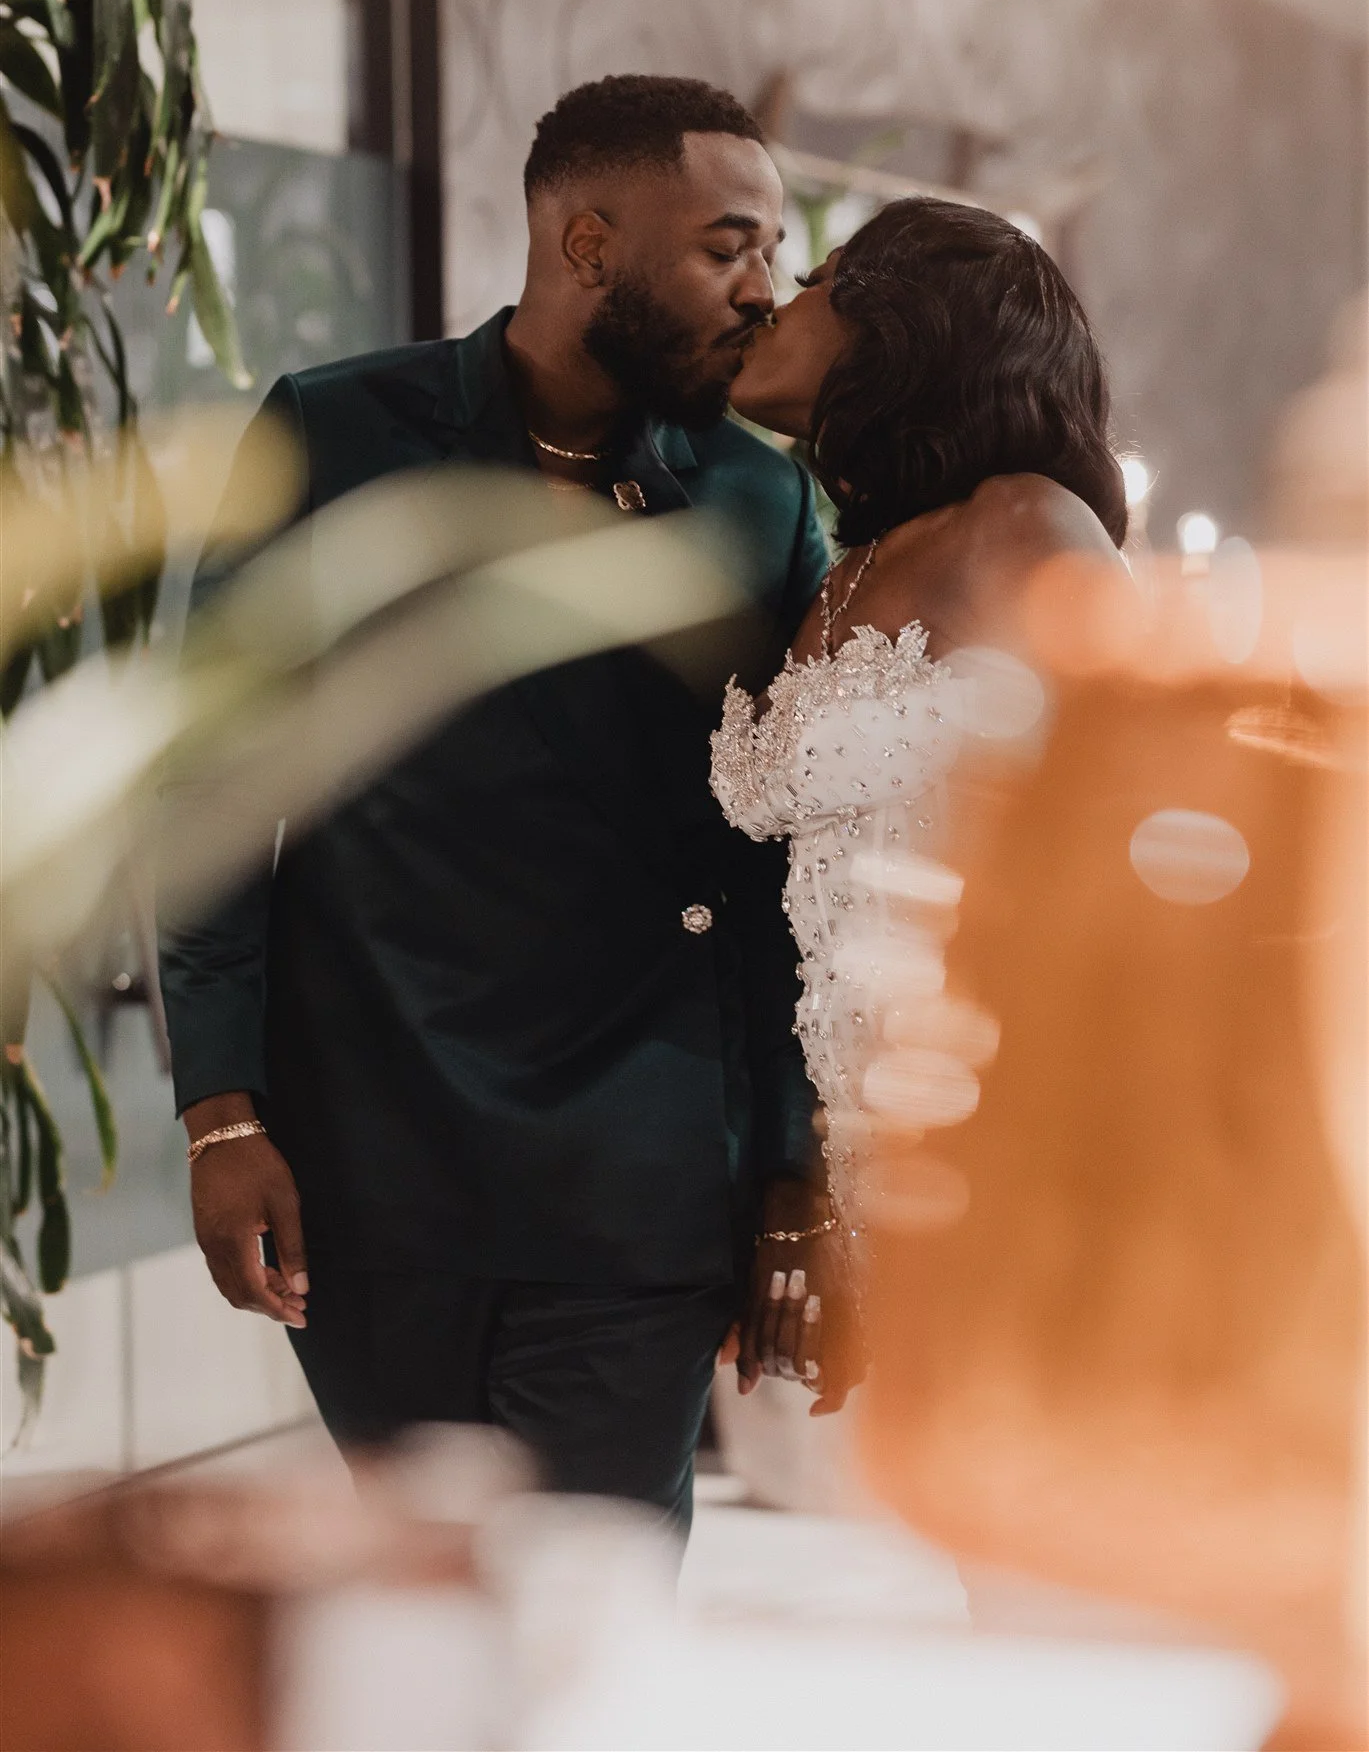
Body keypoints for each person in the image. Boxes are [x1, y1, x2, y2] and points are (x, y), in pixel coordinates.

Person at [160, 75, 835, 1534]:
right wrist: (220, 1113)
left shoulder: (756, 500)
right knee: (425, 1600)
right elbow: (209, 778)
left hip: (644, 1177)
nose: (762, 290)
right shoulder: (335, 434)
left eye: (772, 251)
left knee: (587, 1597)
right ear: (590, 243)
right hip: (373, 1165)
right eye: (728, 247)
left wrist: (794, 1165)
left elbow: (796, 865)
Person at [711, 197, 1130, 1412]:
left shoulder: (1028, 523)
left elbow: (1132, 823)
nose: (775, 298)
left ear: (903, 322)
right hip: (868, 1146)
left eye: (818, 277)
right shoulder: (848, 568)